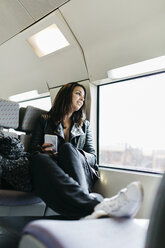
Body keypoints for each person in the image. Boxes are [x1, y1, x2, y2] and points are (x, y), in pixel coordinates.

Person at [29, 82, 143, 219]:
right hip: (54, 171)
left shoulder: (84, 125)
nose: (82, 99)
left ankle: (89, 204)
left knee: (67, 148)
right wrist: (42, 151)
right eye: (78, 93)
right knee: (39, 159)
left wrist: (74, 153)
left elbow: (92, 157)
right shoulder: (45, 120)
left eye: (84, 97)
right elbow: (31, 151)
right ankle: (96, 206)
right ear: (65, 95)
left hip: (79, 171)